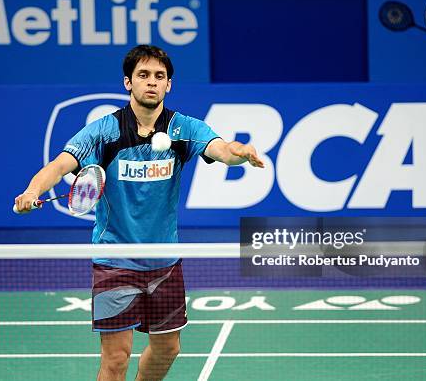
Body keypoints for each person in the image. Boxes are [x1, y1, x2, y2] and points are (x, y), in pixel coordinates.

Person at [14, 45, 264, 381]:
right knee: (117, 359)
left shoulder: (183, 128)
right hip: (115, 259)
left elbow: (221, 149)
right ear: (128, 83)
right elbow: (60, 166)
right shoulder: (104, 132)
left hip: (164, 259)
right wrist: (32, 191)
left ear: (168, 85)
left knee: (168, 349)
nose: (152, 82)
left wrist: (240, 152)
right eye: (143, 75)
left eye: (159, 76)